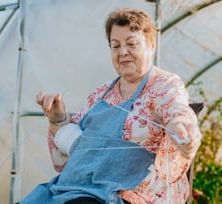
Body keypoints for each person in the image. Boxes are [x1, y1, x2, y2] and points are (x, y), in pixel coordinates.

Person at [20, 8, 202, 204]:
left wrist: (183, 129)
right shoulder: (101, 94)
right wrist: (58, 119)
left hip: (127, 195)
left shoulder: (164, 86)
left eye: (132, 43)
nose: (123, 52)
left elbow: (177, 110)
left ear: (151, 45)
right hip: (75, 189)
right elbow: (72, 144)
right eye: (115, 46)